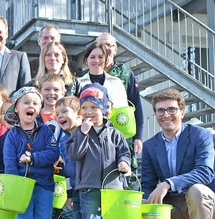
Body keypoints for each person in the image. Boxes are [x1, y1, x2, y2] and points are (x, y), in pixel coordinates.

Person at [142, 89, 215, 219]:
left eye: (172, 109)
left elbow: (205, 172)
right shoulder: (149, 146)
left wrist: (168, 183)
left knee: (196, 191)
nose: (166, 115)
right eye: (160, 110)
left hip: (205, 201)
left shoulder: (201, 135)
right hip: (173, 203)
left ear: (182, 112)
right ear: (156, 114)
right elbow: (147, 185)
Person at [66, 83, 131, 219]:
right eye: (84, 108)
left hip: (113, 188)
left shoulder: (115, 134)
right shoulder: (78, 133)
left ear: (102, 109)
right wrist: (83, 133)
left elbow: (125, 153)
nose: (88, 112)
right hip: (88, 187)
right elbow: (75, 154)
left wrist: (124, 162)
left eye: (94, 107)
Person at [2, 86, 59, 218]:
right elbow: (9, 162)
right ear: (16, 108)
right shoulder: (12, 135)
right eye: (26, 103)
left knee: (43, 216)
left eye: (35, 103)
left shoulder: (46, 131)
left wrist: (33, 158)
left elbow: (53, 153)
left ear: (39, 109)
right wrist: (14, 185)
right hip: (21, 186)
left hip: (44, 184)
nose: (30, 106)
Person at [94, 33, 144, 158]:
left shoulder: (126, 74)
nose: (106, 48)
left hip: (122, 132)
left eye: (110, 45)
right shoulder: (86, 76)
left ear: (115, 49)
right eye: (102, 45)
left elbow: (136, 104)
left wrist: (138, 137)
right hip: (94, 134)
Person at [55, 96, 83, 219]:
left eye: (65, 111)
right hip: (75, 189)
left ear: (79, 113)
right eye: (57, 114)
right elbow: (68, 169)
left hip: (90, 188)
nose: (60, 116)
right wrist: (69, 193)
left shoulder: (86, 134)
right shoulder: (63, 141)